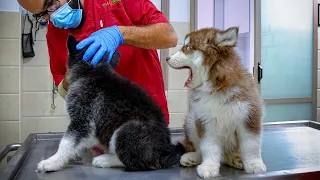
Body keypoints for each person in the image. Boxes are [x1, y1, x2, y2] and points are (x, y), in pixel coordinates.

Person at [17, 0, 178, 125]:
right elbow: (62, 84)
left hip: (146, 119)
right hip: (100, 130)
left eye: (50, 4)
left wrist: (120, 34)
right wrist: (76, 74)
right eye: (41, 15)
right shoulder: (54, 33)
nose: (50, 17)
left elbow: (169, 37)